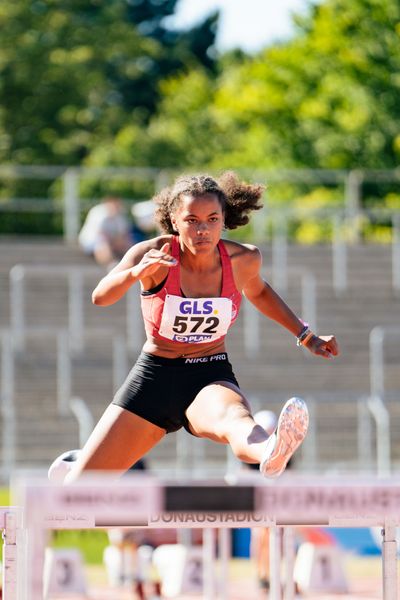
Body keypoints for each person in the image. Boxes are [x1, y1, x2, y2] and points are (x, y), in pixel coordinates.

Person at [63, 171, 339, 484]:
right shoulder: (153, 254)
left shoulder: (242, 259)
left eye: (211, 219)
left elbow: (259, 292)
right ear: (174, 220)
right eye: (192, 220)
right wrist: (135, 273)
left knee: (234, 418)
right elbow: (100, 297)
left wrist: (306, 335)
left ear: (224, 220)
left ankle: (269, 450)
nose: (202, 230)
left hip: (208, 373)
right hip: (154, 377)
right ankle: (73, 466)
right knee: (78, 492)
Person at [78, 196, 134, 269]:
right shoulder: (98, 212)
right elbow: (99, 233)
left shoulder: (119, 215)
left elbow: (124, 234)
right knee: (102, 244)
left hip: (109, 241)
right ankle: (111, 265)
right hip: (91, 241)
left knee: (129, 243)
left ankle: (132, 265)